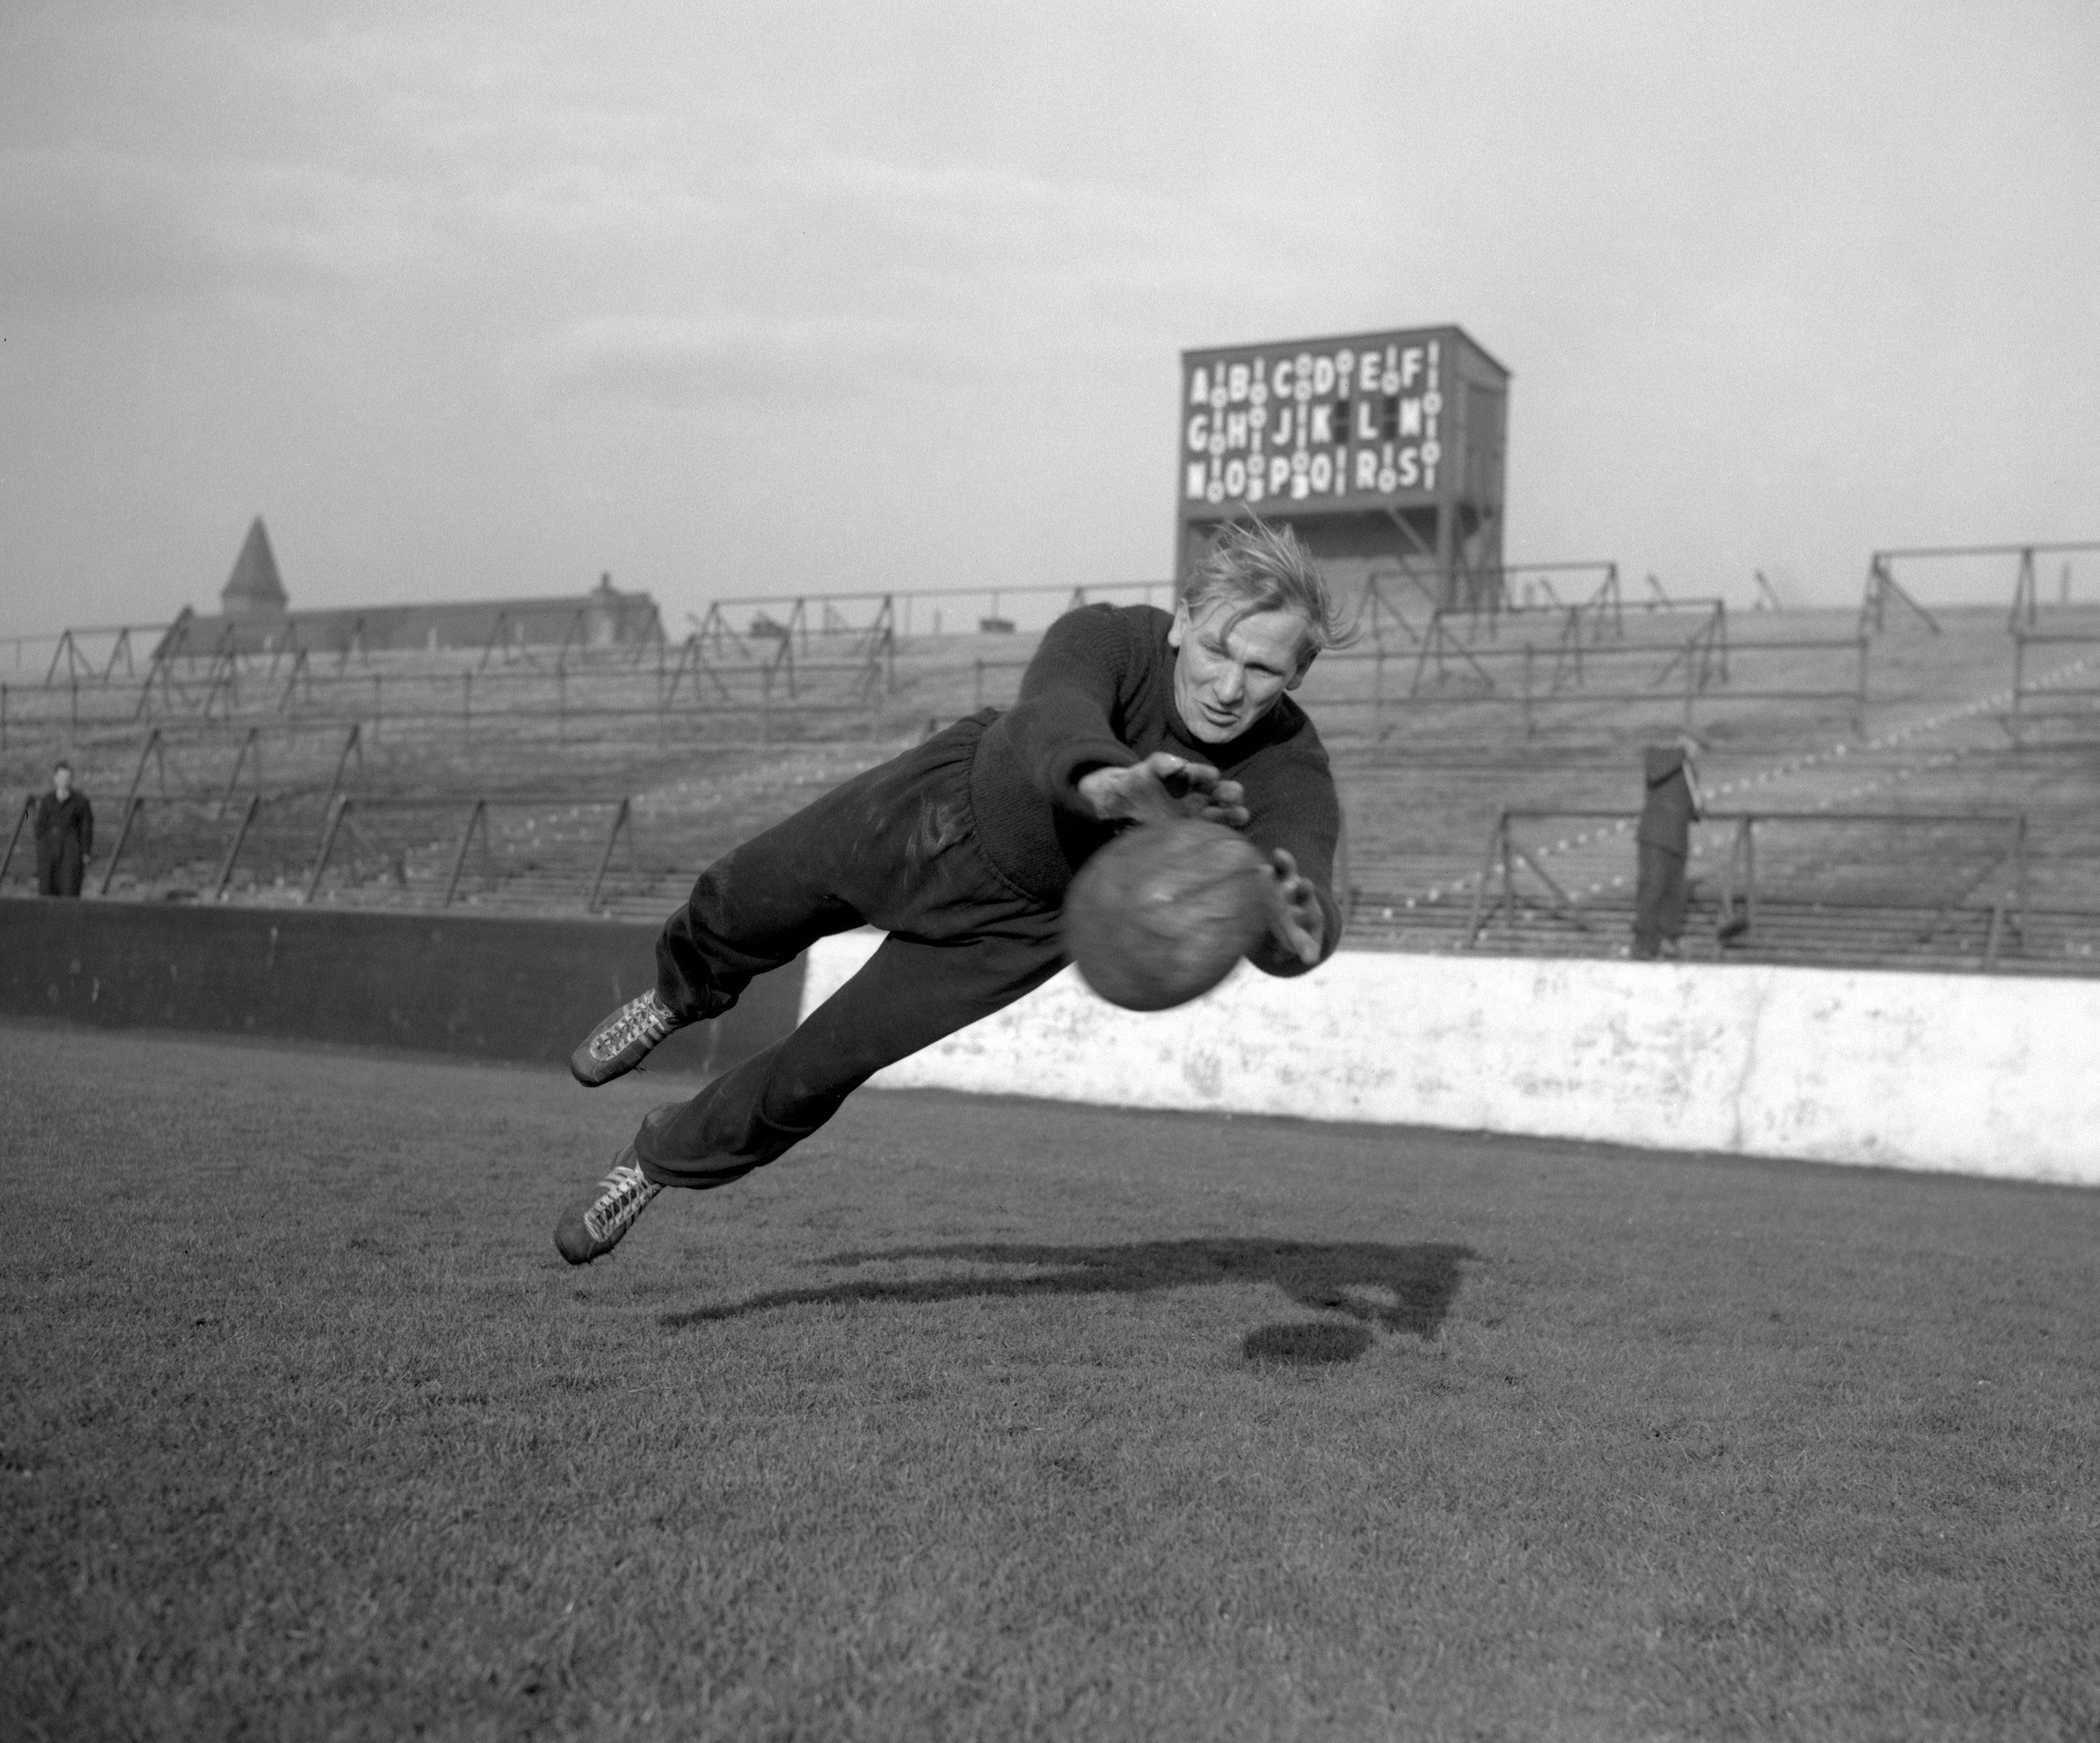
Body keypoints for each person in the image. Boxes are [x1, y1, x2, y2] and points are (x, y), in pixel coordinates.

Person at [555, 521, 1354, 1264]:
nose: (1227, 686)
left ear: (1298, 674)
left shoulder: (1289, 766)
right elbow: (1054, 713)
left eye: (1263, 669)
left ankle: (654, 1161)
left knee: (814, 1071)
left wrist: (1288, 927)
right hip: (938, 807)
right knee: (743, 896)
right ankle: (677, 994)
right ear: (1183, 621)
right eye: (1218, 649)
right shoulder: (1111, 636)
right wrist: (1113, 786)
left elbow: (1301, 880)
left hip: (1021, 934)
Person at [1631, 734, 1704, 959]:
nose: (1697, 754)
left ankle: (1666, 940)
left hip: (1677, 839)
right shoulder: (1662, 756)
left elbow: (1694, 810)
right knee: (1653, 889)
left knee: (1674, 893)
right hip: (1656, 837)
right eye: (1695, 748)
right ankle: (1644, 944)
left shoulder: (1688, 772)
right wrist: (1680, 752)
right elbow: (1654, 771)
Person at [34, 760, 93, 898]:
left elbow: (86, 829)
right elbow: (40, 827)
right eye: (61, 778)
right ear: (55, 778)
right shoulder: (47, 801)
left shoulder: (80, 802)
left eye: (67, 778)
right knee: (47, 892)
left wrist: (85, 852)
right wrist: (43, 846)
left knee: (69, 891)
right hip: (49, 851)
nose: (64, 781)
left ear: (71, 780)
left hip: (70, 851)